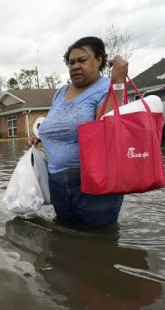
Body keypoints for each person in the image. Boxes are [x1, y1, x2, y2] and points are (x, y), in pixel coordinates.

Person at [27, 36, 129, 228]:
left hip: (94, 180)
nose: (75, 66)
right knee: (64, 233)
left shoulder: (108, 87)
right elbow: (56, 125)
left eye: (82, 60)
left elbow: (108, 128)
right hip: (57, 180)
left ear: (99, 60)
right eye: (71, 62)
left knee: (98, 239)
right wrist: (39, 138)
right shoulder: (61, 92)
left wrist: (118, 83)